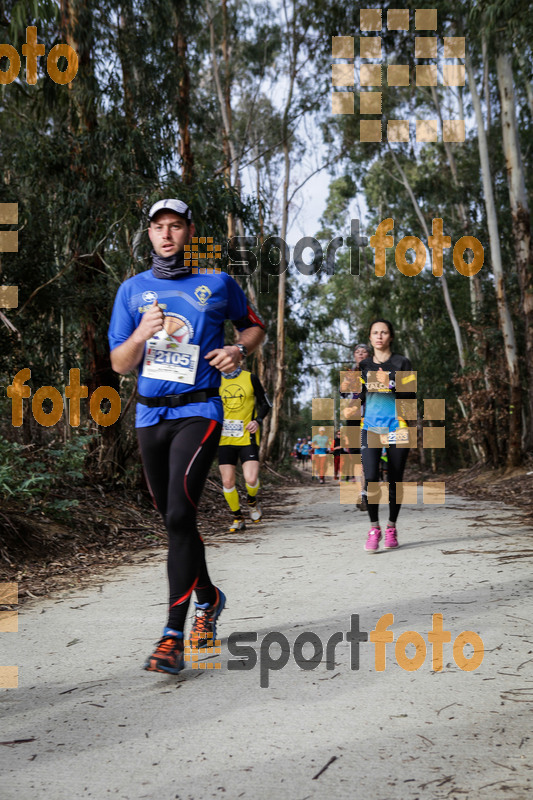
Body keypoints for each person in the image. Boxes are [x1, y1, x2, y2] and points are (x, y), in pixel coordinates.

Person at [108, 198, 265, 674]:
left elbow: (255, 328)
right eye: (159, 227)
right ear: (149, 234)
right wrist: (141, 334)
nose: (167, 234)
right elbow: (119, 363)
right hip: (150, 416)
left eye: (176, 226)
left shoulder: (217, 282)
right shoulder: (132, 291)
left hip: (200, 410)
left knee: (179, 513)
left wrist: (237, 350)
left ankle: (172, 635)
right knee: (174, 519)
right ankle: (210, 598)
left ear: (189, 232)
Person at [358, 319, 416, 552]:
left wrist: (391, 386)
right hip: (370, 427)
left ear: (391, 336)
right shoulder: (362, 365)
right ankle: (374, 528)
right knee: (371, 478)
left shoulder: (402, 362)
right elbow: (355, 398)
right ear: (370, 337)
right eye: (375, 332)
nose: (379, 336)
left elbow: (411, 396)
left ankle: (391, 527)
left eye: (384, 332)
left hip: (397, 427)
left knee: (395, 479)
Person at [218, 366, 271, 532]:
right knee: (227, 481)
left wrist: (258, 420)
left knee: (251, 479)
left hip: (247, 436)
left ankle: (252, 501)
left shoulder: (250, 378)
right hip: (223, 438)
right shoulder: (213, 380)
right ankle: (238, 517)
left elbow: (266, 403)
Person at [340, 343, 370, 504]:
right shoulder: (351, 373)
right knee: (356, 455)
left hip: (370, 416)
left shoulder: (375, 370)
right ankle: (362, 492)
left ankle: (365, 491)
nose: (360, 354)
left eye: (364, 351)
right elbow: (343, 392)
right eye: (357, 352)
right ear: (354, 356)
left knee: (368, 454)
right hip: (353, 416)